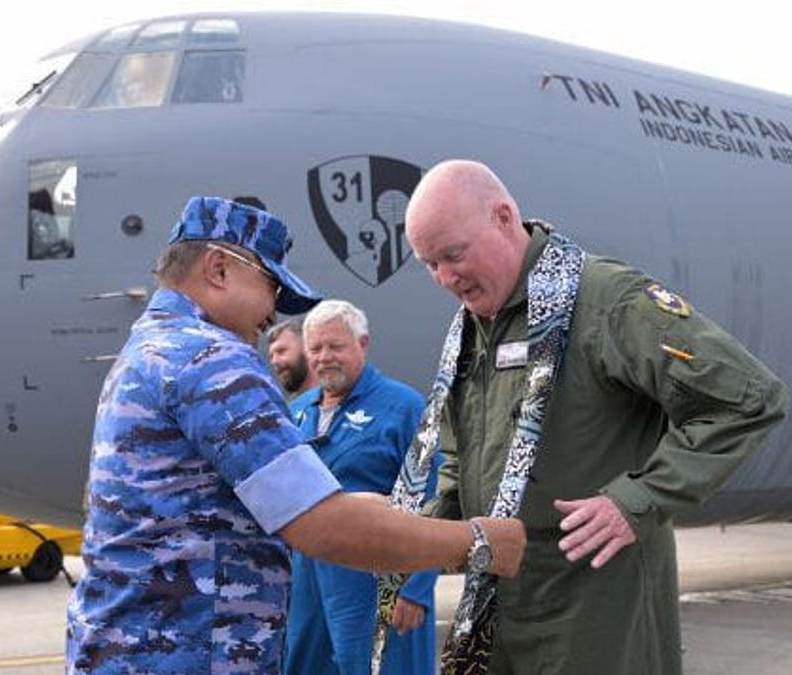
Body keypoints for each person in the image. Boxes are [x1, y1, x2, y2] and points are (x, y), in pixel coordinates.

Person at [64, 196, 526, 674]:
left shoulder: (152, 348)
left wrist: (354, 508)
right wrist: (478, 542)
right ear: (219, 269)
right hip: (187, 655)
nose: (273, 314)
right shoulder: (211, 359)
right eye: (271, 286)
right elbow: (323, 528)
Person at [401, 160, 788, 674]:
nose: (445, 279)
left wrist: (638, 500)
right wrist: (408, 538)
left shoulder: (605, 301)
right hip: (497, 607)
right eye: (430, 264)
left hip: (594, 606)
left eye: (453, 254)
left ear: (502, 216)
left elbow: (748, 397)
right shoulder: (474, 329)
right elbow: (463, 460)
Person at [285, 300, 435, 675]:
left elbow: (433, 498)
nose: (324, 357)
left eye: (336, 346)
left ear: (362, 344)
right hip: (308, 581)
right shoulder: (296, 411)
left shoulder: (403, 407)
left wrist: (416, 587)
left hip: (379, 579)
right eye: (315, 349)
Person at [266, 319, 316, 397]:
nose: (274, 361)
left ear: (307, 347)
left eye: (281, 351)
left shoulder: (337, 397)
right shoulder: (291, 408)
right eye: (271, 357)